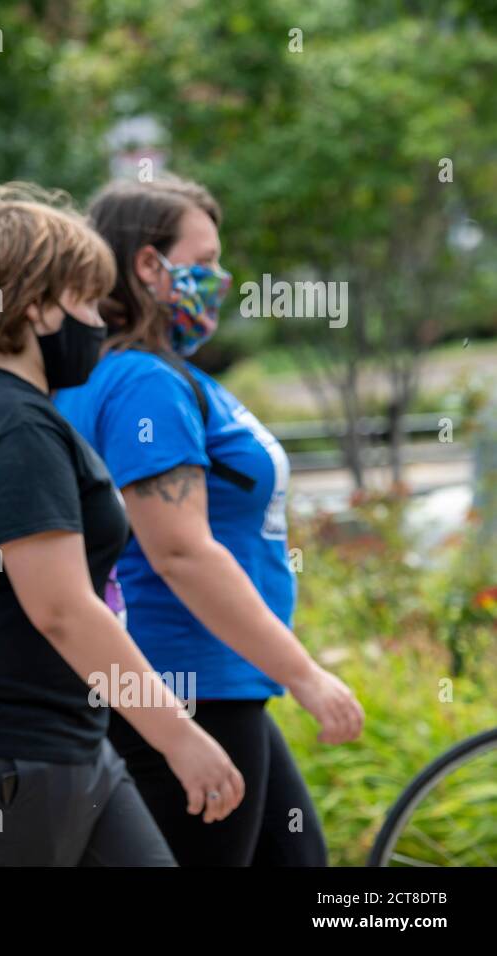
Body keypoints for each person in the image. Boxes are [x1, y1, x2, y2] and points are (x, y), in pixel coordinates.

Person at [0, 183, 244, 867]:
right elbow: (62, 608)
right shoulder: (15, 427)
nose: (96, 322)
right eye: (81, 301)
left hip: (55, 736)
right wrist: (178, 735)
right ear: (32, 306)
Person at [53, 175, 365, 866]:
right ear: (147, 264)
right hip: (190, 683)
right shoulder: (142, 383)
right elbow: (181, 553)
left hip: (214, 681)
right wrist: (308, 676)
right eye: (206, 258)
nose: (221, 279)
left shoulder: (138, 374)